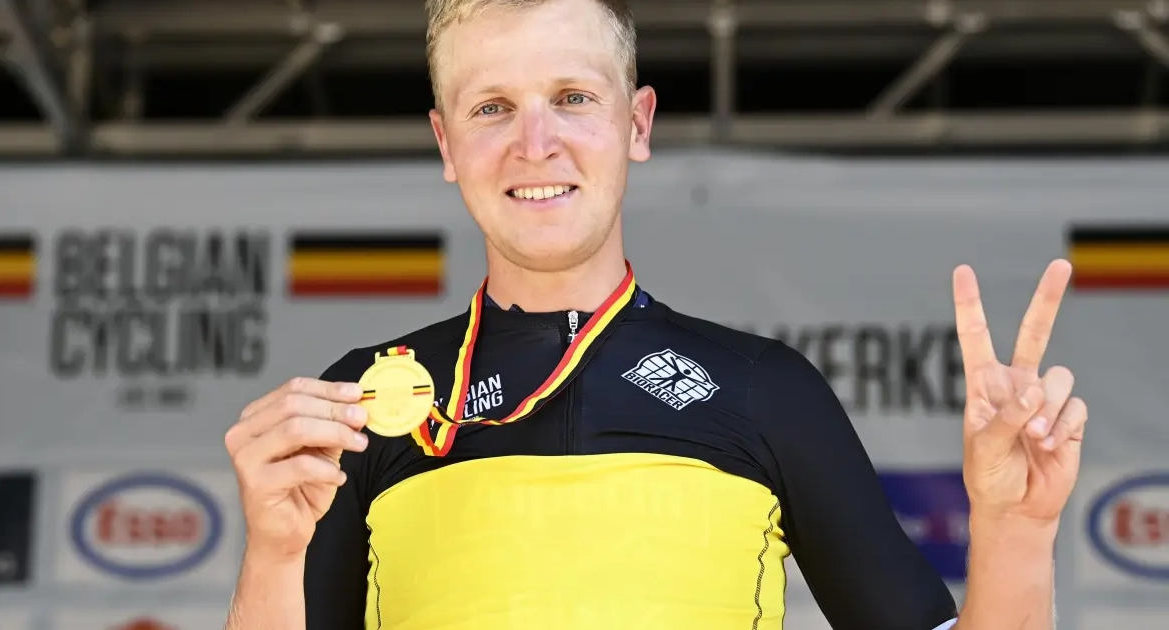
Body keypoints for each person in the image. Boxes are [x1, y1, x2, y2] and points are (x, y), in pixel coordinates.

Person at [222, 0, 1087, 628]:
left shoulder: (765, 390)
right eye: (492, 108)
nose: (536, 145)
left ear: (637, 124)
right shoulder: (360, 405)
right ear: (446, 142)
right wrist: (270, 553)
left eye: (573, 97)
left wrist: (1016, 529)